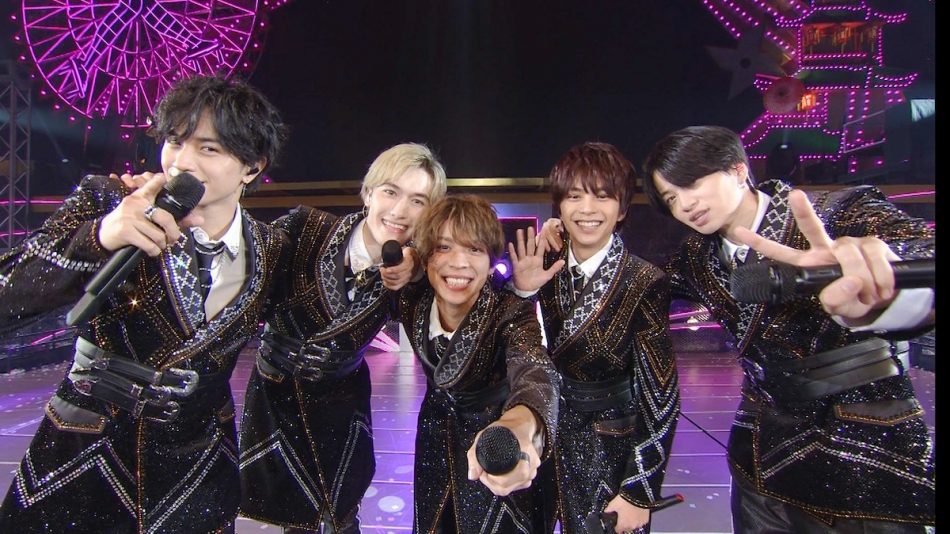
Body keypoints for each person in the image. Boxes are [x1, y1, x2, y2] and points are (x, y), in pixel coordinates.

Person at [0, 75, 289, 532]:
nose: (182, 162)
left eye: (209, 148)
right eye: (174, 141)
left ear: (252, 167)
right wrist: (98, 237)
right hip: (82, 459)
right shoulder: (109, 201)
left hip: (198, 475)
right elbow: (8, 293)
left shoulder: (272, 248)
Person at [641, 125, 934, 532]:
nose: (685, 204)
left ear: (738, 169)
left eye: (692, 183)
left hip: (866, 440)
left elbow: (921, 253)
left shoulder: (835, 212)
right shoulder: (695, 256)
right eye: (671, 198)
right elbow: (640, 290)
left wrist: (884, 291)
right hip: (762, 451)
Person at [238, 143, 447, 533]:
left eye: (418, 201)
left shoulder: (413, 278)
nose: (400, 211)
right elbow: (243, 269)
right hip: (273, 402)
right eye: (390, 192)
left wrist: (420, 266)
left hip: (342, 412)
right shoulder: (305, 227)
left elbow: (447, 332)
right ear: (368, 193)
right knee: (276, 517)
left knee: (339, 517)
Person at [508, 142, 680, 533]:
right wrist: (521, 290)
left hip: (610, 446)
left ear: (622, 209)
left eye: (602, 197)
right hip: (547, 432)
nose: (587, 209)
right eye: (574, 196)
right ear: (559, 206)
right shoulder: (544, 263)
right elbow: (513, 336)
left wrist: (639, 491)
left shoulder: (644, 280)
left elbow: (661, 394)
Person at [396, 194, 560, 533]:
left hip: (495, 445)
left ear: (490, 261)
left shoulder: (510, 311)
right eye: (443, 247)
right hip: (434, 445)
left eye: (474, 249)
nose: (459, 263)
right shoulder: (411, 300)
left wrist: (519, 426)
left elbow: (535, 370)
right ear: (425, 257)